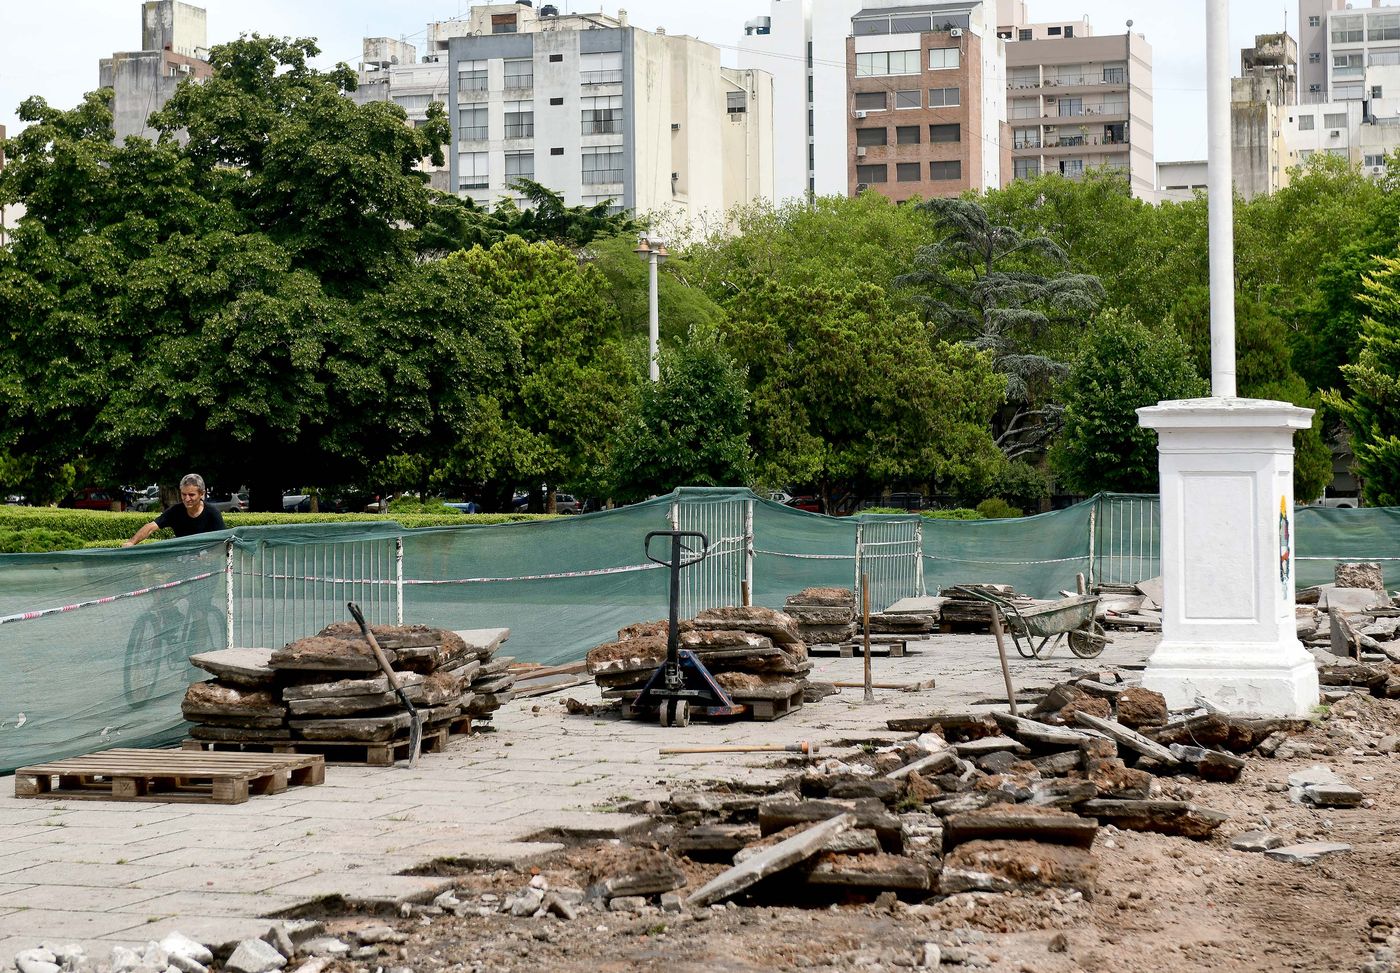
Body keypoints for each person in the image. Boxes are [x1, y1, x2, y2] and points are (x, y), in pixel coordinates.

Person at [123, 474, 226, 546]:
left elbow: (224, 542)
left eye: (191, 495)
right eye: (183, 494)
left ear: (202, 494)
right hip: (182, 562)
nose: (187, 499)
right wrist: (131, 542)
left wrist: (209, 556)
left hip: (207, 565)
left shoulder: (213, 513)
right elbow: (150, 527)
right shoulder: (175, 511)